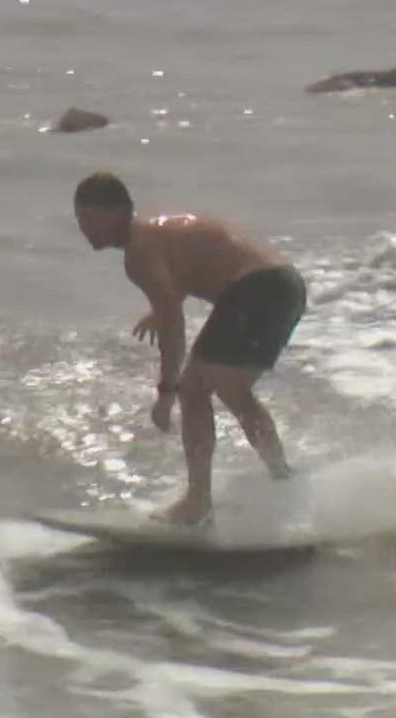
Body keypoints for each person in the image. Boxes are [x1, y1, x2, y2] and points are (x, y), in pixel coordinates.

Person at [73, 172, 307, 526]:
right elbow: (196, 263)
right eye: (80, 219)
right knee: (233, 392)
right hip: (286, 286)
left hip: (256, 289)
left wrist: (166, 391)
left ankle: (198, 503)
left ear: (115, 213)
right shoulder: (155, 233)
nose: (83, 228)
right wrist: (162, 307)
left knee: (193, 391)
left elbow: (173, 327)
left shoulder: (139, 251)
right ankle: (282, 477)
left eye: (89, 218)